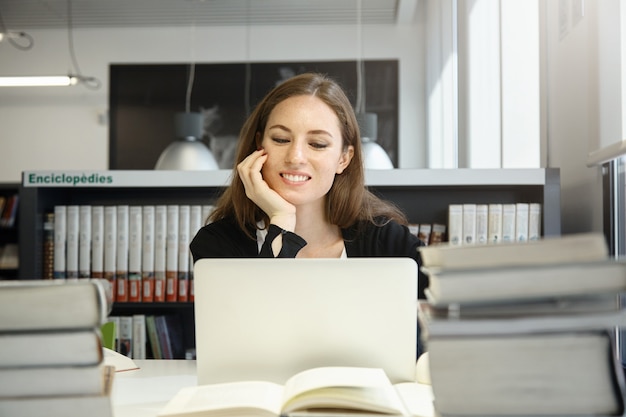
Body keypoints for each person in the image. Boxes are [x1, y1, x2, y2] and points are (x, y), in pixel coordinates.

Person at [190, 72, 426, 356]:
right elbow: (249, 344)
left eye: (317, 144)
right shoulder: (217, 244)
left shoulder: (389, 243)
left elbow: (428, 342)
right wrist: (281, 224)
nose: (295, 157)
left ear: (344, 158)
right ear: (258, 146)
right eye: (280, 139)